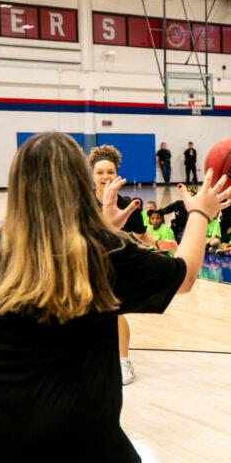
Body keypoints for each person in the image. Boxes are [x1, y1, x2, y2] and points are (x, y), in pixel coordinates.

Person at [0, 133, 231, 463]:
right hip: (72, 440)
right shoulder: (103, 251)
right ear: (78, 182)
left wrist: (104, 227)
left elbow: (63, 262)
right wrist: (200, 212)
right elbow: (181, 276)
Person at [88, 145, 147, 386]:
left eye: (110, 172)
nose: (105, 177)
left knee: (115, 311)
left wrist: (162, 244)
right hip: (84, 262)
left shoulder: (126, 203)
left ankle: (123, 361)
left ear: (117, 174)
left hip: (114, 265)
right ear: (92, 174)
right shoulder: (82, 200)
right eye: (100, 172)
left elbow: (142, 235)